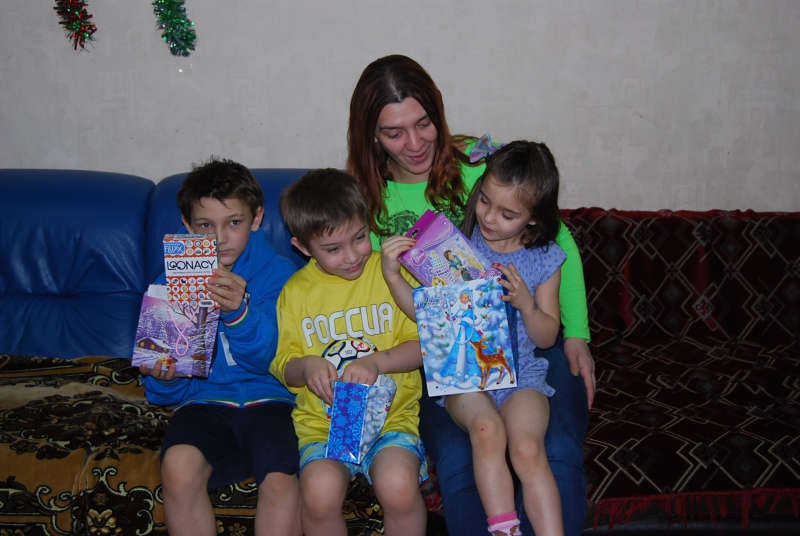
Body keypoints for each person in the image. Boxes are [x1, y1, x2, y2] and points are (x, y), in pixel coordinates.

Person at [347, 54, 594, 536]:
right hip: (446, 353)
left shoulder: (477, 161)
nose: (415, 144)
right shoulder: (364, 200)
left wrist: (577, 334)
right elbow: (361, 287)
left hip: (528, 343)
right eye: (394, 133)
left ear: (438, 113)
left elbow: (555, 241)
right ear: (371, 135)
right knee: (462, 461)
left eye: (424, 124)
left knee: (553, 451)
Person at [384, 140, 567, 535]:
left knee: (527, 449)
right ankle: (505, 530)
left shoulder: (545, 258)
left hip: (521, 375)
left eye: (507, 214)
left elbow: (548, 336)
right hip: (464, 376)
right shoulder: (454, 245)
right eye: (484, 200)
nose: (489, 217)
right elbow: (426, 315)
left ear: (533, 219)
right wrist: (394, 277)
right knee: (487, 430)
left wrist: (527, 305)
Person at [139, 157, 301, 536]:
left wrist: (239, 313)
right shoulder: (170, 280)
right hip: (202, 402)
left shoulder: (280, 275)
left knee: (282, 478)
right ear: (187, 226)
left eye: (234, 222)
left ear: (256, 219)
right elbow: (160, 393)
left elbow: (270, 361)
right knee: (177, 466)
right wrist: (164, 377)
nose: (220, 237)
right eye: (205, 226)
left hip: (272, 400)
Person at [270, 169, 427, 536]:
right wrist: (307, 367)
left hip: (391, 423)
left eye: (359, 237)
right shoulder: (295, 293)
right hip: (324, 428)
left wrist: (377, 362)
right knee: (318, 494)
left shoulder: (390, 274)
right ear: (303, 247)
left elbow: (425, 345)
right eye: (333, 249)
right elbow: (283, 365)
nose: (353, 255)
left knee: (399, 486)